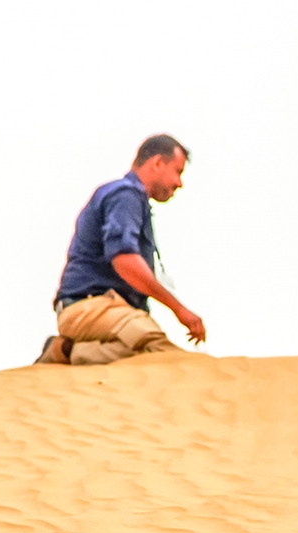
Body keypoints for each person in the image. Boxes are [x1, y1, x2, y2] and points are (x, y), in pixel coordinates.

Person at [36, 134, 207, 366]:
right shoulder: (126, 195)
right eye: (178, 171)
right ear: (157, 163)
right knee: (158, 352)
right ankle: (68, 352)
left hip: (106, 311)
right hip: (90, 305)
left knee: (138, 356)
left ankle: (67, 351)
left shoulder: (133, 201)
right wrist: (180, 310)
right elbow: (124, 260)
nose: (179, 183)